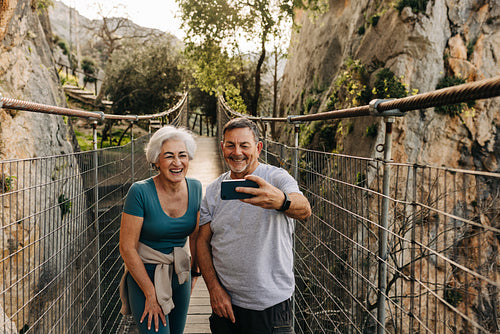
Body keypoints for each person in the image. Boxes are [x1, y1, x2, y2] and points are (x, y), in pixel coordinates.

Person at [197, 117, 312, 333]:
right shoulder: (213, 190)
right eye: (230, 145)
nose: (237, 152)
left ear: (258, 148)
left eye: (244, 145)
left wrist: (280, 201)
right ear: (222, 147)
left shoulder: (276, 178)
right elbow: (202, 241)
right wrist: (214, 290)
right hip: (226, 305)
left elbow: (304, 209)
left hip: (270, 306)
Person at [119, 125, 202, 334]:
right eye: (169, 156)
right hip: (144, 276)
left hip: (179, 273)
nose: (177, 162)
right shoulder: (139, 191)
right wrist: (150, 294)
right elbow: (127, 248)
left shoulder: (196, 188)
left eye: (182, 155)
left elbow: (196, 236)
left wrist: (194, 273)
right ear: (156, 161)